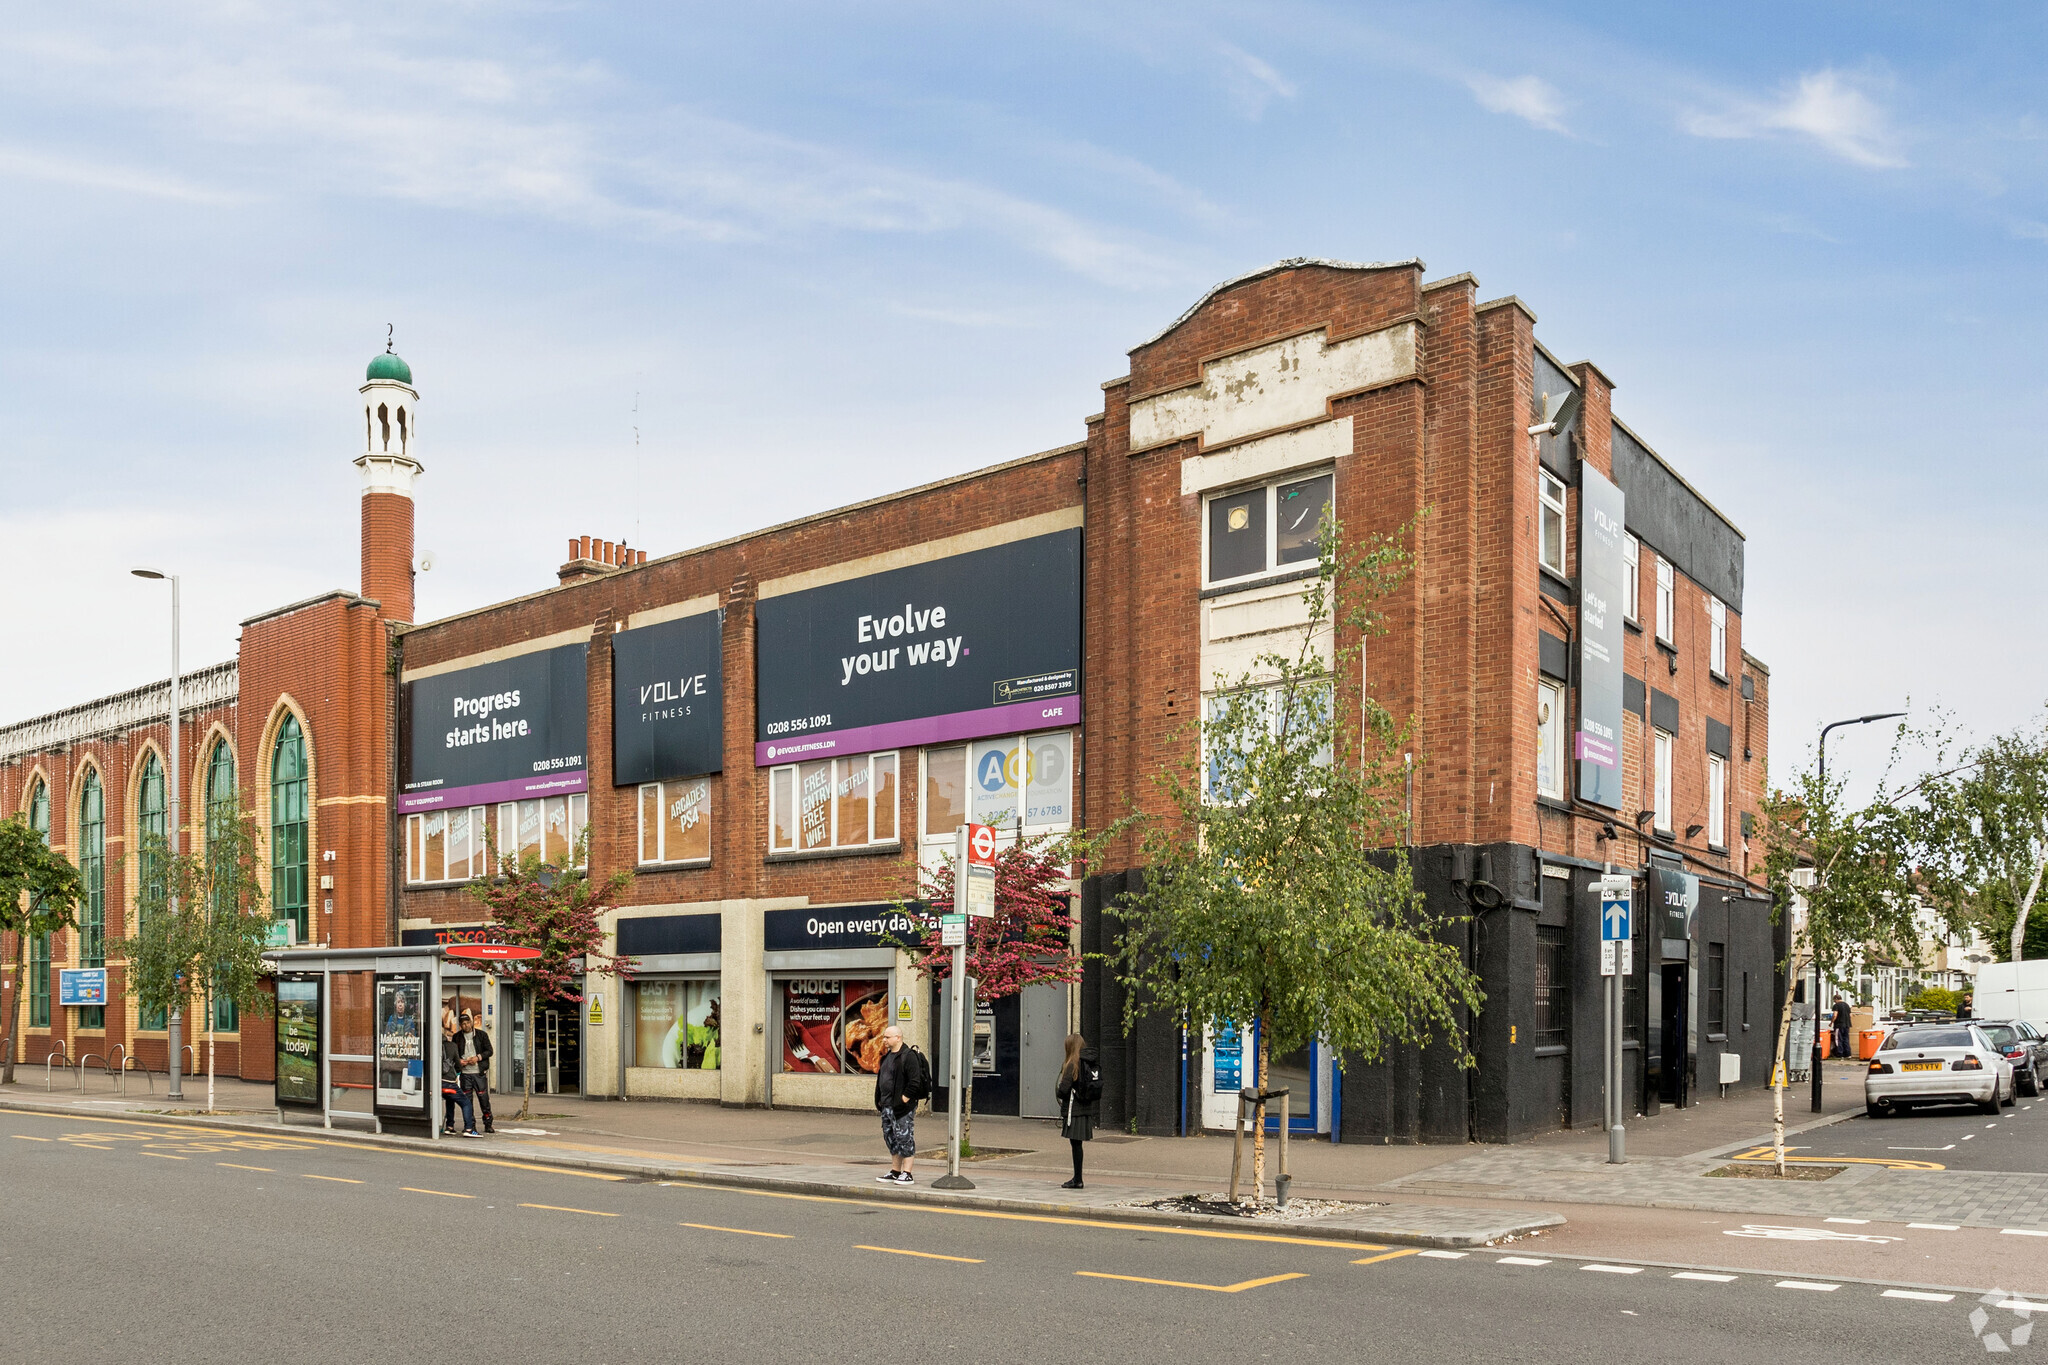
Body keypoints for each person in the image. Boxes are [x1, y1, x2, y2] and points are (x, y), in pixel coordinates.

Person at [1055, 1033, 1100, 1191]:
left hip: (1074, 1111)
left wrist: (1060, 1090)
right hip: (1086, 1108)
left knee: (1075, 1145)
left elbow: (1063, 1090)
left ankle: (1077, 1179)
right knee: (1077, 1145)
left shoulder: (1071, 1065)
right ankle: (1077, 1177)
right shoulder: (1087, 1063)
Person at [874, 1025, 916, 1184]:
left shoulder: (908, 1056)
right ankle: (895, 1171)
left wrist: (903, 1100)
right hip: (886, 1105)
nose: (884, 1040)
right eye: (884, 1037)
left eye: (887, 1037)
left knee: (904, 1137)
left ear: (898, 1038)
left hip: (901, 1108)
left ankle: (907, 1173)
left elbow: (914, 1082)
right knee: (891, 1138)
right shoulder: (886, 1057)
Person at [457, 1008, 495, 1134]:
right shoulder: (457, 1037)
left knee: (483, 1099)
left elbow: (489, 1051)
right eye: (462, 1024)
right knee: (467, 1101)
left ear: (471, 1022)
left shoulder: (481, 1035)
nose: (465, 1025)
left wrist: (477, 1058)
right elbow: (453, 1053)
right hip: (465, 1073)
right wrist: (459, 1061)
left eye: (467, 1023)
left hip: (478, 1072)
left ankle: (488, 1123)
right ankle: (470, 1125)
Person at [440, 1015, 478, 1137]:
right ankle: (469, 1129)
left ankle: (449, 1127)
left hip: (436, 1083)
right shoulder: (452, 1046)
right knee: (465, 1103)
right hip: (448, 1081)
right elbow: (457, 1064)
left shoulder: (431, 1046)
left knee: (450, 1100)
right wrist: (458, 1072)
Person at [1830, 996, 1852, 1060]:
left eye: (1834, 1000)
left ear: (1836, 999)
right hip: (1847, 1024)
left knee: (1838, 1039)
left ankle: (1840, 1054)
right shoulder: (1847, 1005)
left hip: (1839, 1025)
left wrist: (1831, 1022)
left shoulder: (1836, 1005)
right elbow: (1850, 1015)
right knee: (1846, 1039)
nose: (1834, 1001)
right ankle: (1848, 1054)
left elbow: (1835, 1015)